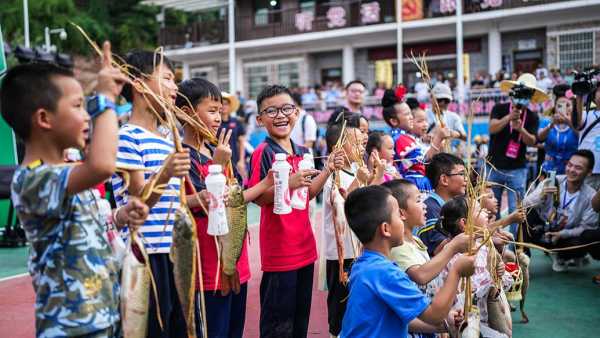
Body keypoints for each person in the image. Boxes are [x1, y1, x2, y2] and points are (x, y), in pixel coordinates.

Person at [1, 45, 148, 337]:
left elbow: (87, 223)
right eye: (78, 105)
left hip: (104, 318)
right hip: (71, 327)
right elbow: (103, 165)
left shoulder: (68, 174)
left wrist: (121, 216)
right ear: (44, 119)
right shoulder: (32, 180)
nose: (86, 116)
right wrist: (105, 98)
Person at [176, 78, 273, 337]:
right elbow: (202, 202)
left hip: (235, 262)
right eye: (211, 110)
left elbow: (236, 199)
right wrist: (218, 166)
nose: (219, 118)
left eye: (220, 111)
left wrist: (266, 182)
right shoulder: (180, 157)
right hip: (208, 267)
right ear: (186, 112)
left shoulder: (216, 150)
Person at [248, 85, 344, 338]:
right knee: (279, 323)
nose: (280, 115)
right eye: (271, 111)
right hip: (280, 252)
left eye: (286, 108)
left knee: (300, 318)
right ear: (260, 119)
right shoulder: (263, 152)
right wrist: (286, 184)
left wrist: (328, 169)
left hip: (305, 246)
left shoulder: (304, 152)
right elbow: (257, 198)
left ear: (297, 112)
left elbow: (309, 192)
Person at [111, 50, 192, 337]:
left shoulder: (168, 138)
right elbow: (138, 204)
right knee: (152, 328)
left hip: (174, 252)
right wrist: (167, 172)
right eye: (168, 78)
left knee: (177, 327)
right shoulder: (127, 136)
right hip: (146, 255)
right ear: (140, 84)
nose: (175, 87)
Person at [340, 186, 475, 338]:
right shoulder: (386, 273)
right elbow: (434, 314)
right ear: (385, 229)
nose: (402, 219)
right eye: (398, 215)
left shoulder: (364, 265)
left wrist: (445, 323)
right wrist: (457, 270)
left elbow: (403, 317)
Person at [384, 180, 469, 338]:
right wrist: (453, 249)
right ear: (401, 213)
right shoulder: (398, 248)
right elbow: (421, 276)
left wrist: (445, 318)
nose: (424, 205)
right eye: (418, 200)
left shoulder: (416, 241)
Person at [437, 197, 514, 337]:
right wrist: (488, 286)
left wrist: (498, 273)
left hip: (487, 318)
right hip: (467, 324)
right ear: (464, 223)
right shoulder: (451, 256)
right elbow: (457, 300)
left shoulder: (483, 247)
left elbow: (502, 284)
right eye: (479, 210)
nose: (486, 212)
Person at [321, 118, 369, 337]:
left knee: (359, 301)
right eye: (356, 143)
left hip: (359, 247)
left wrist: (375, 175)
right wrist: (359, 181)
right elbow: (342, 202)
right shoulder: (333, 175)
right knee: (340, 303)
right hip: (341, 255)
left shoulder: (358, 168)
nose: (362, 147)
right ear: (338, 148)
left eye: (362, 142)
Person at [488, 73, 546, 239]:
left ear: (532, 97)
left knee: (516, 211)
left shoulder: (533, 117)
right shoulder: (499, 109)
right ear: (512, 92)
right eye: (521, 92)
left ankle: (513, 247)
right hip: (494, 166)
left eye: (528, 94)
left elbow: (532, 141)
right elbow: (492, 129)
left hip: (517, 169)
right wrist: (508, 118)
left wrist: (520, 129)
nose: (523, 98)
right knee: (491, 208)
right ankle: (494, 244)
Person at [523, 150, 599, 272]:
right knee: (524, 216)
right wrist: (541, 196)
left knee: (586, 238)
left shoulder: (591, 196)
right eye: (569, 165)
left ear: (589, 172)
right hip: (543, 231)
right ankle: (523, 260)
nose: (572, 170)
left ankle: (562, 256)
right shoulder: (552, 181)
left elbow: (586, 227)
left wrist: (562, 234)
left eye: (578, 168)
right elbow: (524, 205)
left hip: (563, 238)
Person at [381, 90, 449, 192]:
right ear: (394, 121)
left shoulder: (403, 136)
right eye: (407, 114)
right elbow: (423, 161)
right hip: (415, 183)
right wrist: (438, 139)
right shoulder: (400, 138)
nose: (411, 117)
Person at [418, 153, 466, 256]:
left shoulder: (452, 206)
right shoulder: (430, 208)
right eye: (462, 174)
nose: (466, 179)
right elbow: (438, 250)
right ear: (444, 179)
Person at [538, 84, 578, 175]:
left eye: (568, 105)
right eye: (560, 106)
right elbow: (540, 138)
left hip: (571, 171)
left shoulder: (578, 122)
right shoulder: (546, 121)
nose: (565, 108)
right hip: (549, 170)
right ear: (555, 106)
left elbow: (582, 135)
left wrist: (569, 123)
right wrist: (551, 125)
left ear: (573, 106)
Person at [575, 85, 600, 190]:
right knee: (585, 204)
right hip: (587, 171)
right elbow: (577, 122)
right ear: (594, 97)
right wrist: (579, 95)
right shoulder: (586, 114)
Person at [220, 91, 247, 179]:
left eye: (226, 104)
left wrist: (241, 161)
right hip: (219, 160)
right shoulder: (214, 123)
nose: (224, 106)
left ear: (230, 106)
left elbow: (242, 142)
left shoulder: (236, 122)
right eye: (222, 104)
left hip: (234, 159)